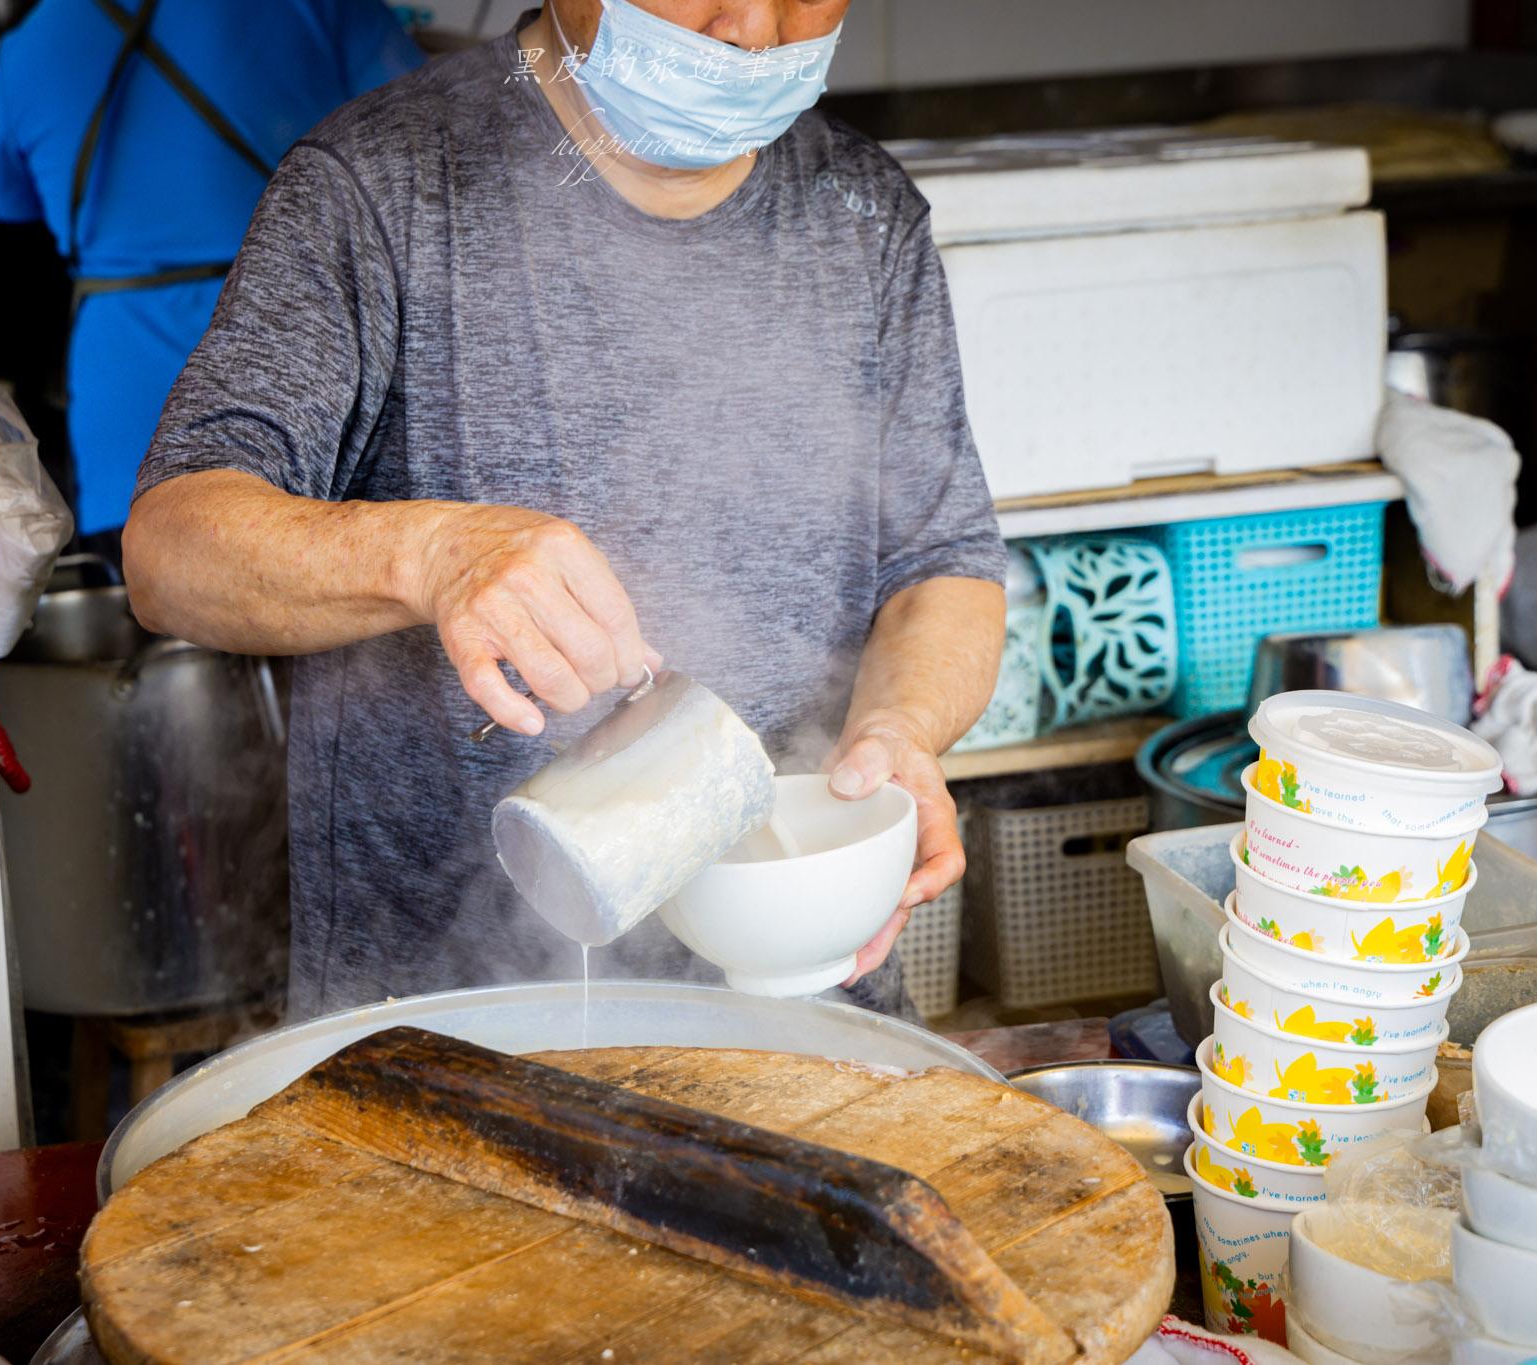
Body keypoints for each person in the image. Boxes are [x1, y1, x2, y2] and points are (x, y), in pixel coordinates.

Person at [122, 0, 1009, 1020]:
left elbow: (942, 566)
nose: (751, 27)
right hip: (444, 1026)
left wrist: (900, 729)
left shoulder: (864, 214)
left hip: (804, 1006)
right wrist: (434, 554)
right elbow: (169, 549)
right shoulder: (376, 186)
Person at [0, 0, 423, 543]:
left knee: (153, 604)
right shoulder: (321, 9)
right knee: (339, 579)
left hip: (125, 389)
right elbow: (430, 130)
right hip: (307, 355)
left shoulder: (34, 41)